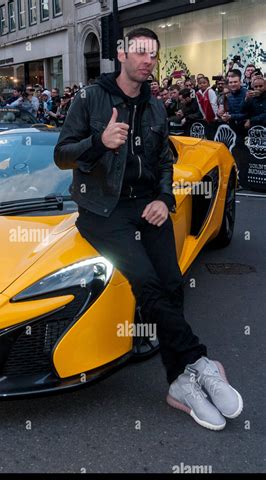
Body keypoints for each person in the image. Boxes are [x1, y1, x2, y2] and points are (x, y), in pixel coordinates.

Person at [53, 27, 243, 431]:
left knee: (172, 284)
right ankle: (200, 362)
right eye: (140, 52)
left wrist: (164, 198)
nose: (147, 61)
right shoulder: (90, 99)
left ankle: (179, 384)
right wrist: (100, 142)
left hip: (148, 208)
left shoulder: (156, 107)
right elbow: (61, 156)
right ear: (121, 53)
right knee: (149, 286)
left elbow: (164, 163)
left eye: (153, 56)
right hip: (102, 212)